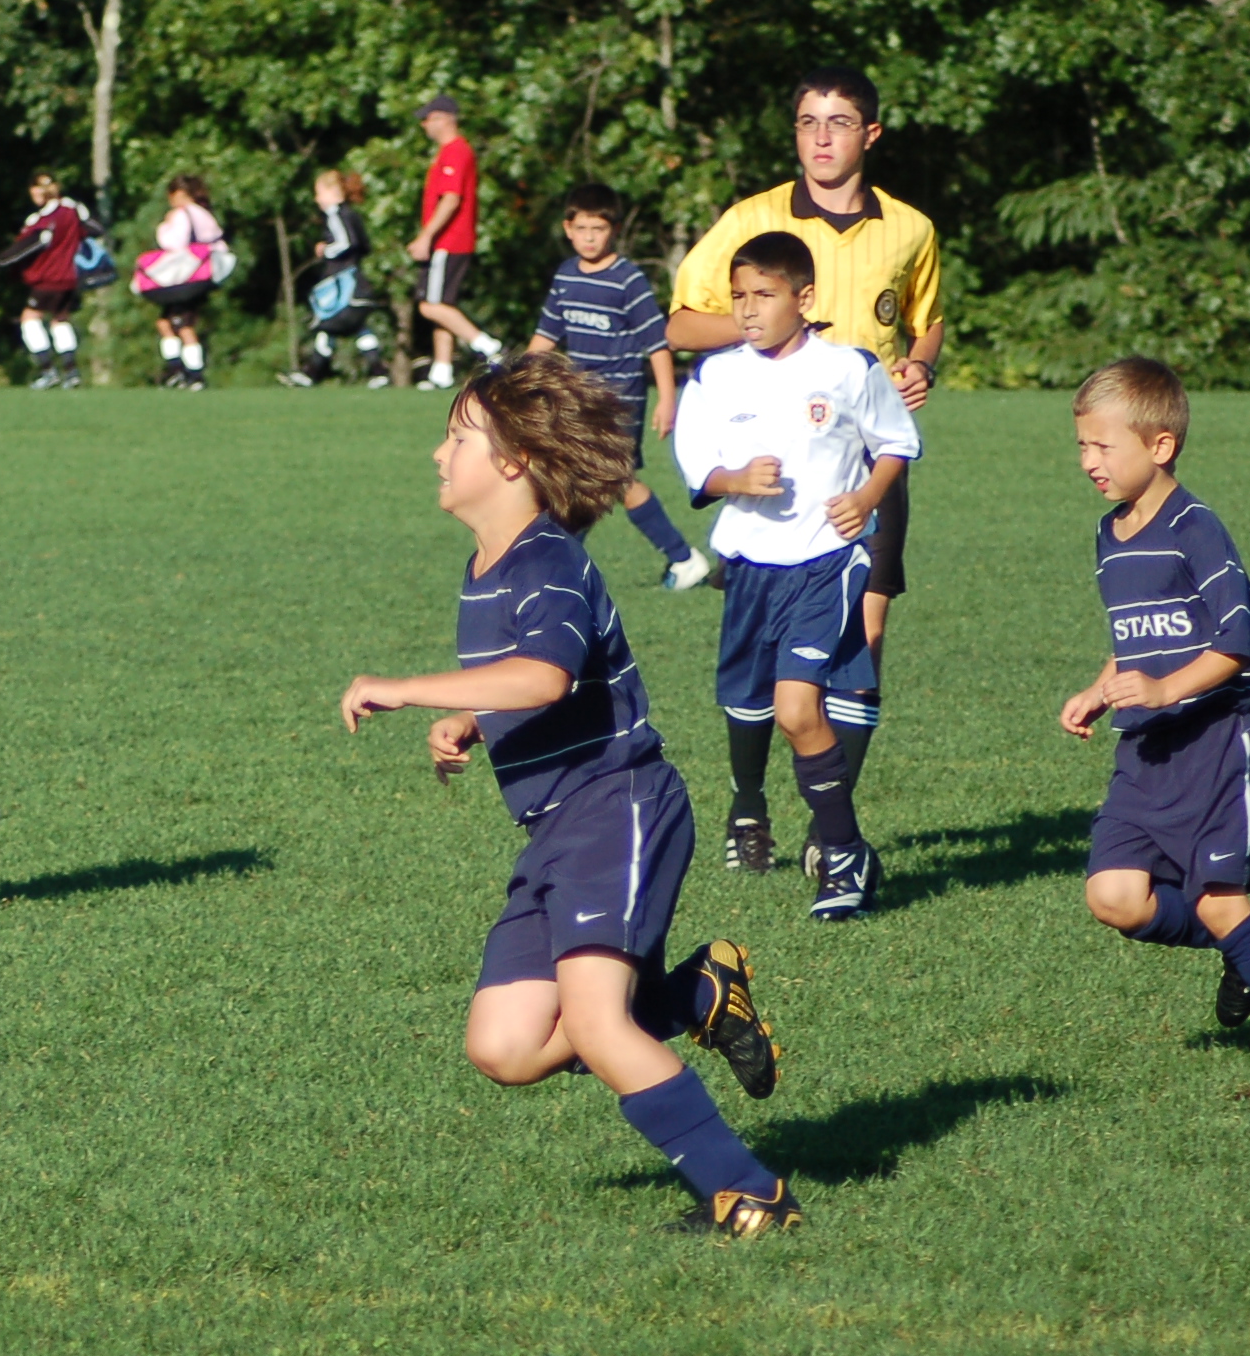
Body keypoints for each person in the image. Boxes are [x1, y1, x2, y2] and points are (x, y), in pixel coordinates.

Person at [338, 354, 798, 1237]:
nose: (438, 454)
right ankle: (692, 996)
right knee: (504, 1046)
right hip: (556, 829)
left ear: (513, 460)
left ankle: (751, 1195)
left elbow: (545, 676)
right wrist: (473, 717)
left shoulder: (547, 560)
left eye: (458, 438)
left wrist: (406, 689)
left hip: (616, 805)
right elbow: (533, 678)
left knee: (595, 1023)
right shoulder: (490, 564)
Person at [1061, 358, 1250, 1074]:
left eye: (1104, 446)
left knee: (1221, 903)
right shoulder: (1109, 534)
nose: (1089, 461)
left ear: (1160, 445)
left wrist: (1165, 691)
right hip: (1146, 752)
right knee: (1115, 898)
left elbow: (1237, 643)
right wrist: (1101, 688)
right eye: (1082, 445)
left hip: (1216, 745)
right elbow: (1138, 637)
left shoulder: (1197, 529)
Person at [667, 65, 941, 802]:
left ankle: (831, 823)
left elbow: (928, 320)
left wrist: (920, 364)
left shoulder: (911, 228)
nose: (821, 138)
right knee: (764, 662)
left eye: (839, 122)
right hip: (777, 478)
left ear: (870, 134)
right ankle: (750, 804)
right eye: (807, 122)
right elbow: (681, 325)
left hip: (868, 467)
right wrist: (768, 320)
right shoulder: (749, 219)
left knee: (866, 639)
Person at [670, 233, 918, 919]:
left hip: (826, 562)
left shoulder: (847, 368)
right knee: (748, 703)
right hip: (750, 567)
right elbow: (698, 468)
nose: (748, 309)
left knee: (797, 710)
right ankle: (788, 824)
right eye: (738, 296)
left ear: (804, 298)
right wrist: (734, 479)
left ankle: (840, 855)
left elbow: (895, 442)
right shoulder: (716, 376)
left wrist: (866, 498)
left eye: (764, 295)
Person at [526, 183, 712, 591]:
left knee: (609, 480)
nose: (590, 237)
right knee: (594, 481)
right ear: (568, 229)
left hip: (621, 399)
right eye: (582, 228)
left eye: (598, 228)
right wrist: (516, 379)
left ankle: (681, 558)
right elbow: (546, 336)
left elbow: (657, 344)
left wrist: (666, 400)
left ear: (613, 230)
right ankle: (570, 564)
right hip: (581, 400)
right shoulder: (566, 276)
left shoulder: (628, 280)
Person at [404, 94, 502, 391]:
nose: (424, 125)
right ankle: (442, 371)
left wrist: (425, 236)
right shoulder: (449, 152)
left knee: (429, 305)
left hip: (449, 241)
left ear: (443, 118)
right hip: (449, 241)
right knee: (443, 305)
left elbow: (450, 199)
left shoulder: (456, 151)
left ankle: (487, 346)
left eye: (427, 119)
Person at [0, 171, 98, 388]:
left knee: (30, 318)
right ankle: (71, 372)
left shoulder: (43, 220)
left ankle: (47, 370)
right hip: (70, 277)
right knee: (60, 319)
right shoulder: (73, 209)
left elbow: (20, 251)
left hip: (49, 278)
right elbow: (96, 228)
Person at [282, 168, 385, 386]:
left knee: (327, 324)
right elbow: (364, 245)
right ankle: (378, 371)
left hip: (344, 284)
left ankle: (311, 372)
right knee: (357, 327)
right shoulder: (352, 214)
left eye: (319, 193)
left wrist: (326, 250)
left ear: (333, 192)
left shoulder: (335, 214)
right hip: (358, 281)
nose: (317, 199)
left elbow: (346, 242)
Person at [135, 174, 226, 389]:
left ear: (179, 194)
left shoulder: (182, 214)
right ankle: (177, 369)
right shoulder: (204, 214)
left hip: (184, 277)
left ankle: (192, 374)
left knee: (183, 325)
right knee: (166, 322)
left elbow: (172, 242)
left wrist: (165, 226)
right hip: (203, 274)